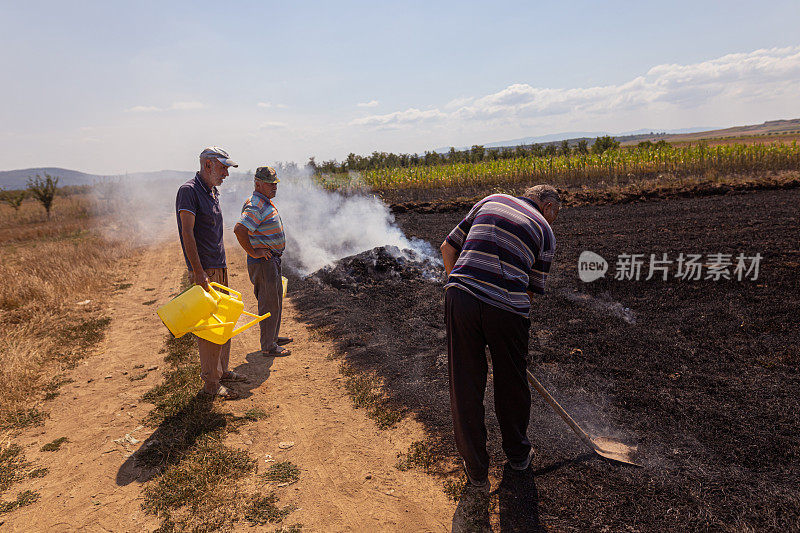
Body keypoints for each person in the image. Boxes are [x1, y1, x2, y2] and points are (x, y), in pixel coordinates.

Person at [440, 184, 560, 490]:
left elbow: (447, 247)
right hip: (507, 310)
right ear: (547, 206)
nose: (554, 218)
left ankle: (477, 471)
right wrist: (507, 330)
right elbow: (531, 291)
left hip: (460, 298)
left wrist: (460, 286)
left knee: (465, 383)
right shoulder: (546, 232)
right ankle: (518, 455)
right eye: (556, 213)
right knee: (512, 382)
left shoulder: (490, 200)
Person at [176, 146, 246, 400]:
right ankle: (211, 384)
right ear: (207, 165)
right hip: (205, 270)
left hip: (220, 266)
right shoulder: (189, 191)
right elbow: (187, 233)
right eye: (223, 167)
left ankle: (222, 370)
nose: (227, 173)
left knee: (224, 321)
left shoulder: (212, 192)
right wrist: (198, 271)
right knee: (209, 330)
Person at [233, 166, 291, 357]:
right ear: (258, 183)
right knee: (268, 302)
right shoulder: (256, 205)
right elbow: (239, 229)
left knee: (275, 300)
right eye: (270, 184)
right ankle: (269, 346)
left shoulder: (263, 202)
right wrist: (253, 251)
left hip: (271, 260)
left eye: (275, 183)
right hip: (264, 262)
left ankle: (272, 337)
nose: (274, 187)